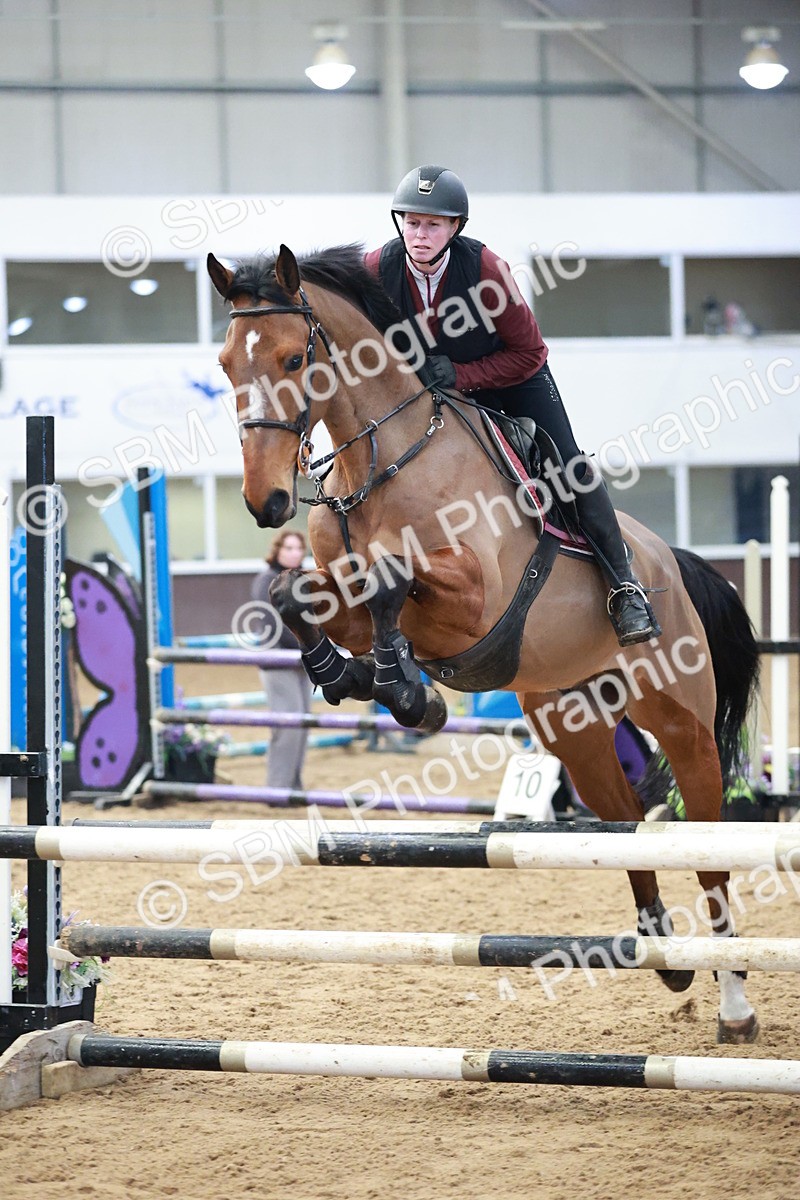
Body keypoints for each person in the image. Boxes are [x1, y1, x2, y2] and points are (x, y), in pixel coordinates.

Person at [364, 164, 661, 648]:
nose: (420, 235)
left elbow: (530, 353)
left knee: (567, 465)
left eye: (432, 225)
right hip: (437, 388)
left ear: (455, 227)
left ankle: (624, 587)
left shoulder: (486, 269)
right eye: (412, 223)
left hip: (513, 377)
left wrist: (462, 375)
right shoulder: (376, 268)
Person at [250, 530, 313, 790]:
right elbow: (273, 624)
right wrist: (311, 645)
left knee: (302, 723)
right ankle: (278, 787)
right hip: (277, 660)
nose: (294, 553)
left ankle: (294, 785)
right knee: (286, 725)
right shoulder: (266, 580)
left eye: (298, 548)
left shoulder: (304, 580)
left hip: (303, 658)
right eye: (288, 548)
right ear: (277, 550)